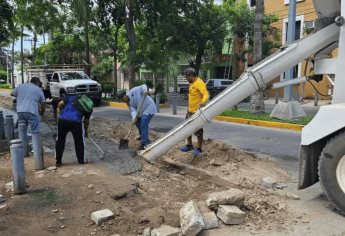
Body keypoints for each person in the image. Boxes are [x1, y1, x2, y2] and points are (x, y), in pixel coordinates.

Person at [179, 67, 209, 157]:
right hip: (190, 111)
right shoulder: (192, 83)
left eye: (187, 77)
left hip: (196, 112)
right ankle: (189, 145)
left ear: (191, 75)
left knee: (198, 130)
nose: (186, 79)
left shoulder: (199, 83)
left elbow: (206, 94)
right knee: (187, 128)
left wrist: (203, 103)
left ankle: (199, 148)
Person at [55, 95, 92, 166]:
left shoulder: (72, 97)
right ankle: (81, 160)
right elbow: (86, 121)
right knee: (79, 141)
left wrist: (61, 112)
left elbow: (60, 104)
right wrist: (85, 132)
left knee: (60, 140)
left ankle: (58, 161)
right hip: (76, 122)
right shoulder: (89, 105)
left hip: (62, 121)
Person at [117, 84, 157, 150]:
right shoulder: (128, 103)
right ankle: (143, 136)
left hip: (149, 107)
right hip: (142, 111)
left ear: (125, 95)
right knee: (137, 122)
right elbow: (133, 110)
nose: (122, 101)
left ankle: (144, 143)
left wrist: (145, 91)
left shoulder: (133, 91)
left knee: (143, 123)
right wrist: (134, 118)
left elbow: (143, 86)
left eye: (122, 99)